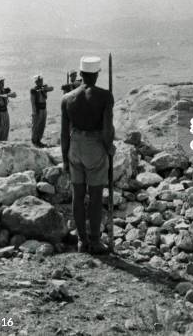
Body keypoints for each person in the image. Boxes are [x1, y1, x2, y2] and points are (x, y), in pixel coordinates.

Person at [61, 56, 115, 254]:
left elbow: (63, 133)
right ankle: (94, 240)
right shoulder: (105, 96)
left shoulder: (67, 98)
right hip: (95, 146)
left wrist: (64, 158)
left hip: (74, 146)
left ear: (81, 74)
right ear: (97, 74)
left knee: (78, 194)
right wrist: (109, 147)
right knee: (95, 195)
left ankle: (81, 241)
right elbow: (107, 128)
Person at [30, 75, 54, 148]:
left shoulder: (43, 88)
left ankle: (39, 140)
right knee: (36, 126)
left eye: (41, 80)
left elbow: (51, 88)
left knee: (42, 125)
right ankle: (34, 141)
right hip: (38, 110)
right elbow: (33, 102)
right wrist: (34, 112)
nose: (41, 82)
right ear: (36, 82)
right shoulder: (33, 90)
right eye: (39, 81)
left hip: (44, 109)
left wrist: (44, 89)